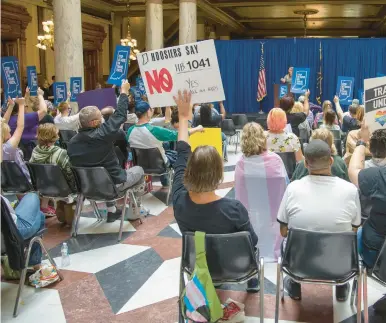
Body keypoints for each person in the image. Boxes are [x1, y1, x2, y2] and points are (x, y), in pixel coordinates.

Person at [172, 89, 259, 292]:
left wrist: (184, 118)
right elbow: (252, 241)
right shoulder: (234, 208)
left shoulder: (178, 199)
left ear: (190, 170)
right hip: (235, 268)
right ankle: (252, 281)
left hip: (197, 265)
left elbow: (182, 151)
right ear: (219, 174)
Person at [278, 139, 361, 301]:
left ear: (305, 164)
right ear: (331, 161)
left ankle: (295, 284)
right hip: (339, 265)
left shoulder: (293, 188)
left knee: (286, 243)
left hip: (299, 264)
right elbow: (354, 229)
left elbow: (283, 232)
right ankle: (341, 285)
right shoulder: (350, 190)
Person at [67, 80, 145, 223]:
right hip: (112, 187)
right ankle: (135, 210)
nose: (103, 120)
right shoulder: (102, 134)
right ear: (93, 123)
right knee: (139, 170)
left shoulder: (71, 143)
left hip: (87, 188)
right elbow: (120, 115)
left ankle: (112, 211)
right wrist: (123, 93)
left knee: (103, 174)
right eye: (100, 118)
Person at [235, 122, 287, 261]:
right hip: (274, 209)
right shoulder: (275, 160)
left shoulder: (241, 163)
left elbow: (239, 195)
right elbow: (285, 186)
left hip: (251, 210)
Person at [127, 101, 203, 186]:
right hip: (161, 165)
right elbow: (179, 135)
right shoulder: (155, 130)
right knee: (180, 155)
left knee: (164, 154)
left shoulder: (130, 131)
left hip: (140, 165)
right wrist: (197, 128)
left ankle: (166, 182)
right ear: (148, 112)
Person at [349, 126, 386, 267]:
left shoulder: (375, 175)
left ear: (370, 150)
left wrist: (362, 141)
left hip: (375, 244)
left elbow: (353, 170)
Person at [1, 194, 45, 268]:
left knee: (40, 215)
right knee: (32, 196)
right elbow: (11, 213)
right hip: (13, 234)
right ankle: (33, 263)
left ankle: (34, 263)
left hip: (6, 236)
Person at [30, 123, 76, 190]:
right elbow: (69, 174)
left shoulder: (35, 151)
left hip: (42, 186)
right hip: (61, 187)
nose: (59, 136)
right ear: (53, 137)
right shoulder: (61, 153)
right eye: (57, 134)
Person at [1, 97, 30, 182]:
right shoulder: (7, 148)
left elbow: (3, 124)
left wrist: (11, 106)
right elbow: (20, 127)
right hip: (21, 186)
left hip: (5, 185)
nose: (10, 134)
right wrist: (21, 105)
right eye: (9, 132)